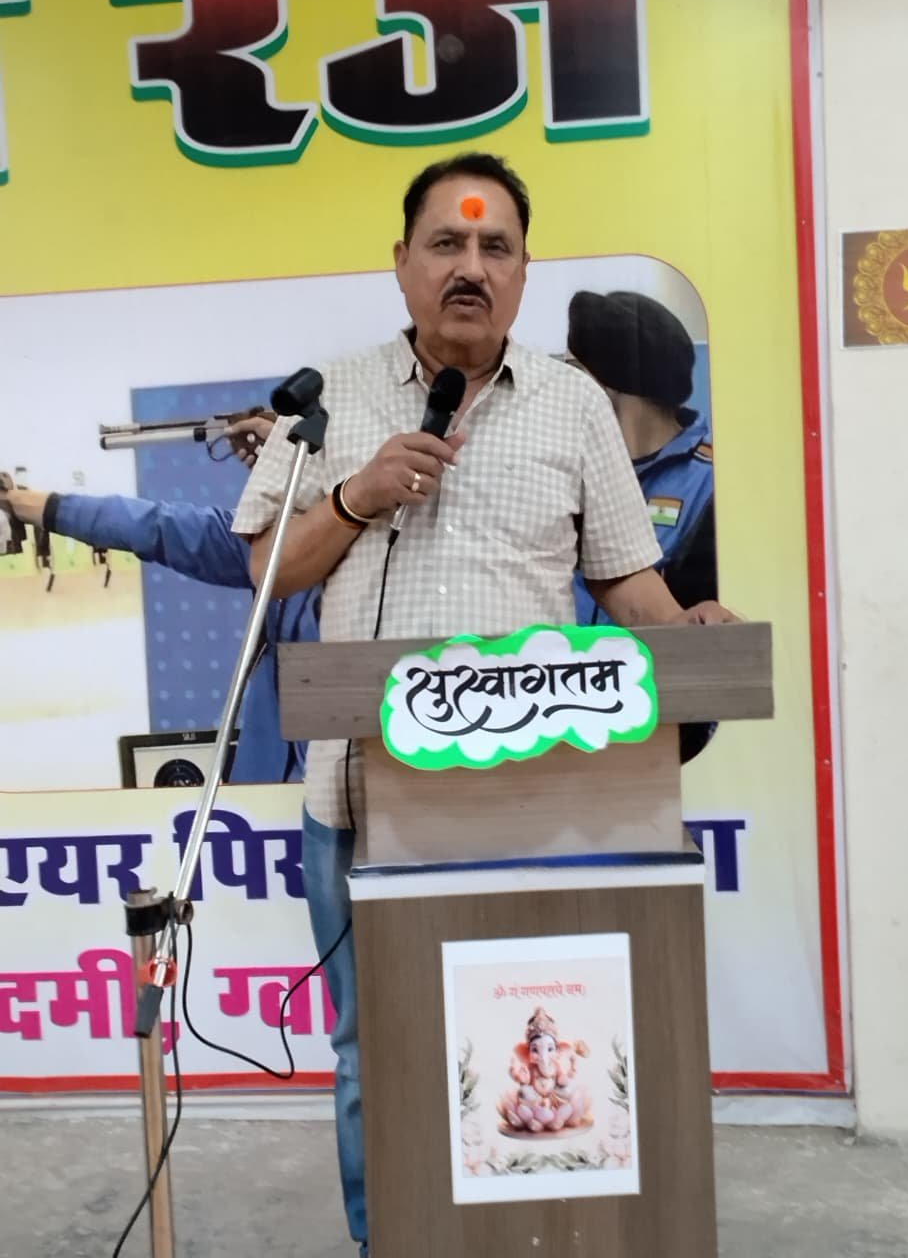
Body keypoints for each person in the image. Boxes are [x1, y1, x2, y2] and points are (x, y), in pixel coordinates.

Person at [233, 151, 737, 1255]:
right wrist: (357, 496)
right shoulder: (329, 401)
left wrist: (688, 629)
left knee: (524, 1023)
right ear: (401, 263)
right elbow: (269, 567)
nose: (470, 265)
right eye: (447, 243)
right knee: (376, 1048)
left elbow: (626, 580)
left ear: (522, 273)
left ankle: (532, 1236)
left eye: (494, 245)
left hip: (529, 800)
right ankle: (385, 1241)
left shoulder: (572, 404)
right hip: (360, 798)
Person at [0, 415, 318, 785]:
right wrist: (32, 505)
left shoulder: (366, 566)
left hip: (335, 793)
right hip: (266, 793)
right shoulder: (272, 543)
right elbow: (154, 525)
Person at [566, 289, 719, 762]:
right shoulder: (562, 471)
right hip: (552, 728)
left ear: (608, 387)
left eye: (574, 373)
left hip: (660, 740)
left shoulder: (714, 483)